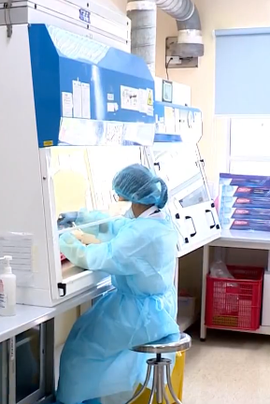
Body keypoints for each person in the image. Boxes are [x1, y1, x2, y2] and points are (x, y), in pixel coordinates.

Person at [55, 164, 179, 404]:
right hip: (156, 309)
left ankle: (75, 400)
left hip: (139, 315)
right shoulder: (155, 221)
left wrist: (65, 241)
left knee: (80, 349)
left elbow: (97, 257)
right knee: (85, 334)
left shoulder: (141, 234)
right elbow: (114, 226)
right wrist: (80, 217)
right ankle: (93, 397)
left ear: (128, 195)